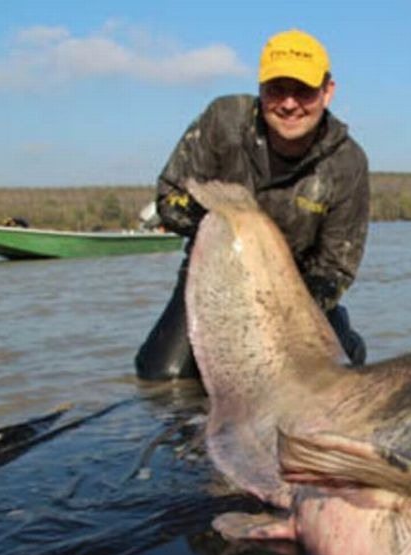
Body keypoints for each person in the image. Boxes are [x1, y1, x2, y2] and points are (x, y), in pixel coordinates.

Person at [136, 29, 369, 381]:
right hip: (213, 276)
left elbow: (336, 268)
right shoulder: (223, 120)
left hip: (297, 291)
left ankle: (345, 338)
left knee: (329, 377)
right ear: (260, 88)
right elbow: (169, 199)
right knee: (161, 379)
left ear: (327, 92)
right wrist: (235, 226)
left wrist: (279, 313)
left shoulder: (348, 163)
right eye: (276, 89)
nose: (289, 104)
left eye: (303, 91)